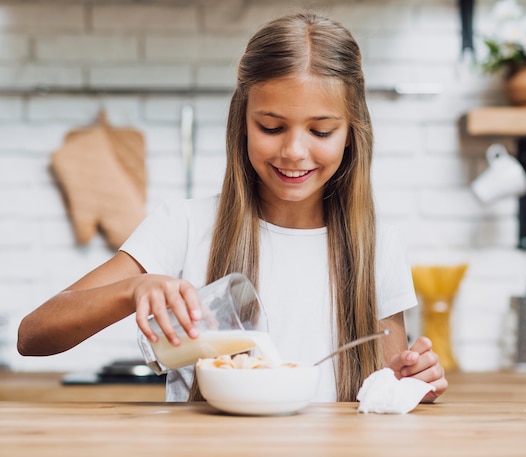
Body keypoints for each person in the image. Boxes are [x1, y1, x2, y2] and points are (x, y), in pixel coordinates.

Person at [18, 10, 447, 403]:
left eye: (320, 131)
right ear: (242, 121)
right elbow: (33, 335)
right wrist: (133, 289)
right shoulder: (184, 226)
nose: (294, 150)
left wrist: (407, 384)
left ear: (352, 133)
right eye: (271, 127)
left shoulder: (377, 246)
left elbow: (386, 383)